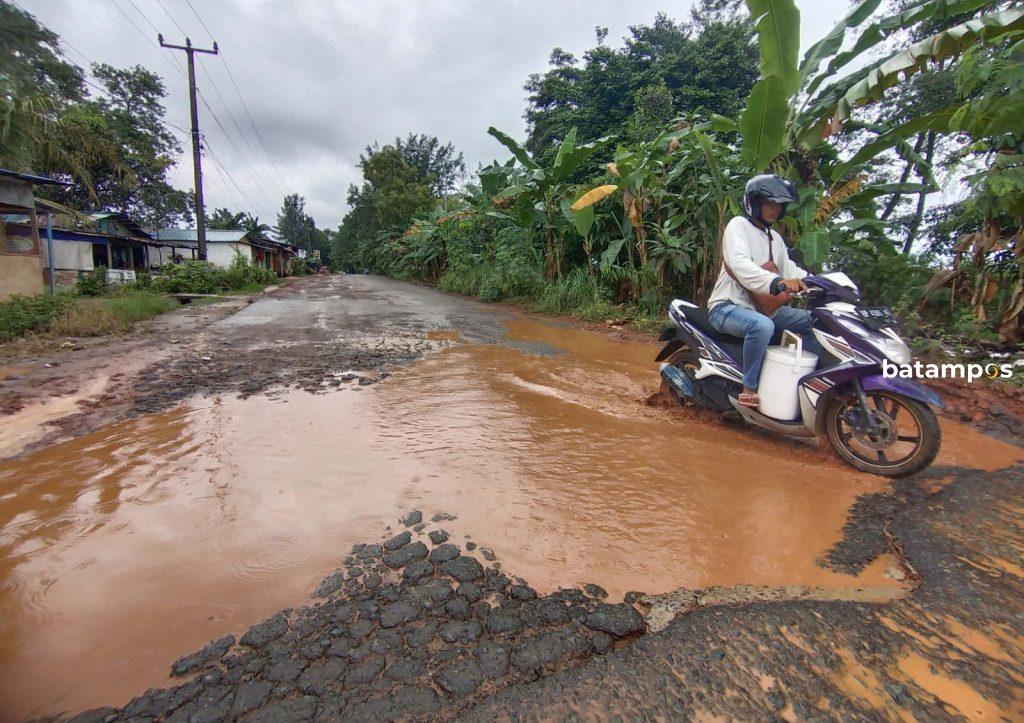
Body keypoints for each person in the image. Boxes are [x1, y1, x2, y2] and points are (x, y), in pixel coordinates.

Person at [706, 174, 821, 408]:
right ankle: (749, 387)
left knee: (812, 320)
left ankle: (812, 382)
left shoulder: (775, 239)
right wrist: (777, 281)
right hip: (726, 307)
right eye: (770, 203)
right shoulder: (738, 226)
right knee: (762, 326)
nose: (775, 209)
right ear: (754, 203)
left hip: (761, 309)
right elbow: (739, 264)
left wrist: (820, 282)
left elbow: (791, 269)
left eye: (779, 205)